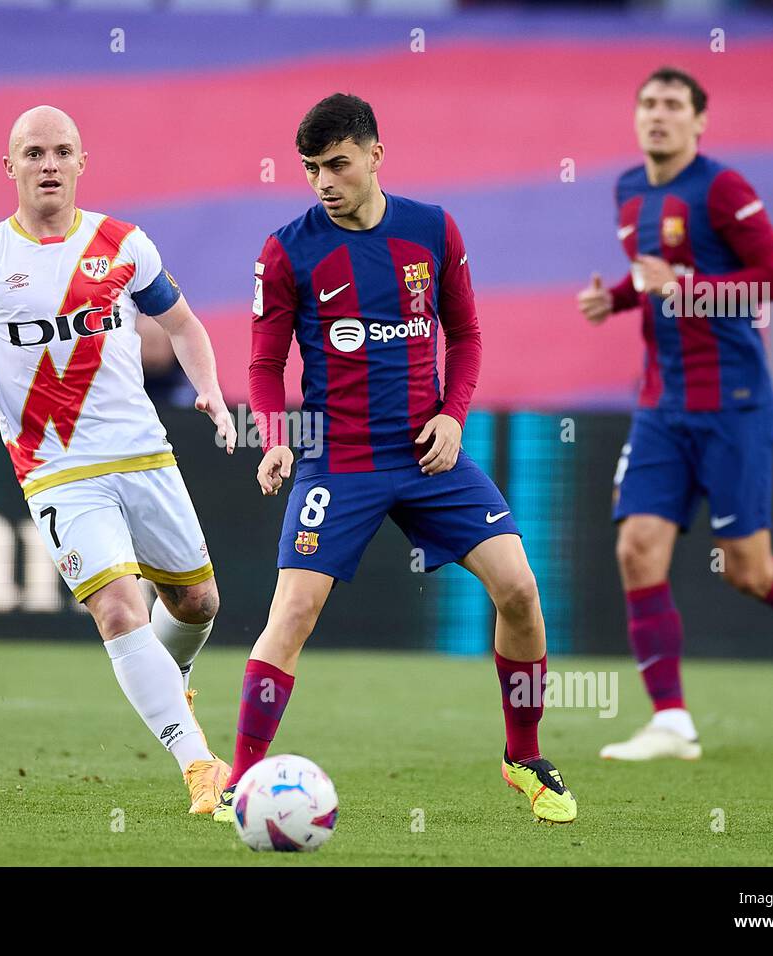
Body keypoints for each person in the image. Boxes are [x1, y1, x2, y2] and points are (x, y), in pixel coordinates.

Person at [213, 93, 577, 824]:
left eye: (337, 165)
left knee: (520, 589)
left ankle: (524, 756)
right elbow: (263, 363)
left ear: (375, 154)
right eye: (311, 168)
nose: (323, 181)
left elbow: (467, 335)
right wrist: (276, 439)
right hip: (336, 459)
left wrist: (453, 415)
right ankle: (242, 783)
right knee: (293, 612)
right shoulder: (288, 249)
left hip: (426, 455)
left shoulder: (433, 230)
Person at [0, 106, 236, 813]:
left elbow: (182, 323)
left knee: (197, 602)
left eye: (62, 151)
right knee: (120, 609)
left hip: (143, 453)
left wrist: (210, 390)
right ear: (11, 167)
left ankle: (169, 682)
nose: (49, 164)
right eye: (33, 153)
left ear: (82, 162)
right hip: (56, 467)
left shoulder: (123, 244)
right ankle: (199, 766)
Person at [576, 67, 773, 760]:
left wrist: (683, 286)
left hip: (734, 405)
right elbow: (650, 277)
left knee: (748, 569)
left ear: (699, 121)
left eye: (672, 105)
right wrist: (619, 300)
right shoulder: (629, 190)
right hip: (662, 402)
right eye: (647, 104)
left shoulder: (723, 188)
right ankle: (672, 723)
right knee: (636, 548)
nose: (657, 115)